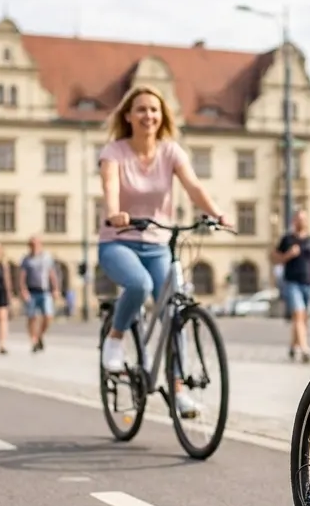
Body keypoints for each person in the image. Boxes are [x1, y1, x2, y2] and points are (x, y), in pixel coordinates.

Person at [97, 83, 230, 417]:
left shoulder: (170, 151)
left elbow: (193, 185)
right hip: (118, 241)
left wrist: (215, 212)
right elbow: (110, 184)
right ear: (128, 115)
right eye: (141, 109)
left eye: (154, 110)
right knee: (138, 285)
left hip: (158, 244)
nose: (148, 115)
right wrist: (114, 212)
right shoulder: (114, 152)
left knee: (175, 312)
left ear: (162, 116)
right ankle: (115, 337)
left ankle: (178, 390)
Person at [273, 208, 310, 362]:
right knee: (298, 315)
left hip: (308, 283)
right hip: (292, 283)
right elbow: (274, 258)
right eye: (298, 218)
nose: (301, 221)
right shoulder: (287, 239)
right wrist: (288, 255)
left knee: (303, 318)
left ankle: (293, 346)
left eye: (303, 218)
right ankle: (305, 349)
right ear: (294, 221)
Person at [18, 235, 59, 352]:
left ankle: (40, 335)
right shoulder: (26, 260)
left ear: (40, 245)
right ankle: (34, 341)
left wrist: (55, 288)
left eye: (36, 244)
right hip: (31, 291)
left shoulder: (47, 258)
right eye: (32, 244)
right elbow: (22, 277)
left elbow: (52, 274)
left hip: (45, 291)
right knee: (32, 317)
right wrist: (23, 290)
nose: (34, 247)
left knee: (48, 316)